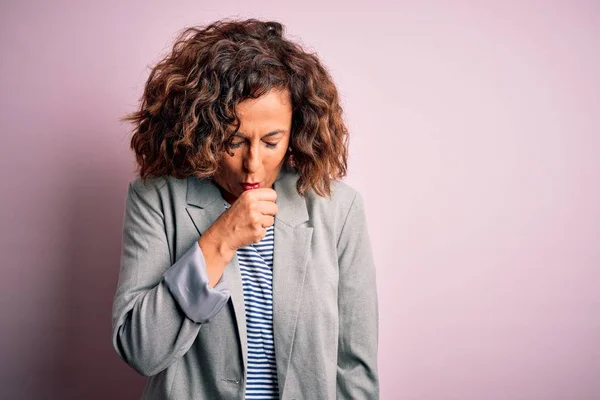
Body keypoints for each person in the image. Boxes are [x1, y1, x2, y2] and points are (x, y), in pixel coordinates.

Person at [111, 18, 379, 399]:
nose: (253, 164)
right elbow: (140, 349)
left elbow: (355, 367)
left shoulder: (339, 210)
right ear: (201, 128)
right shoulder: (155, 199)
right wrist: (219, 242)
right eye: (233, 141)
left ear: (296, 130)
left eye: (272, 141)